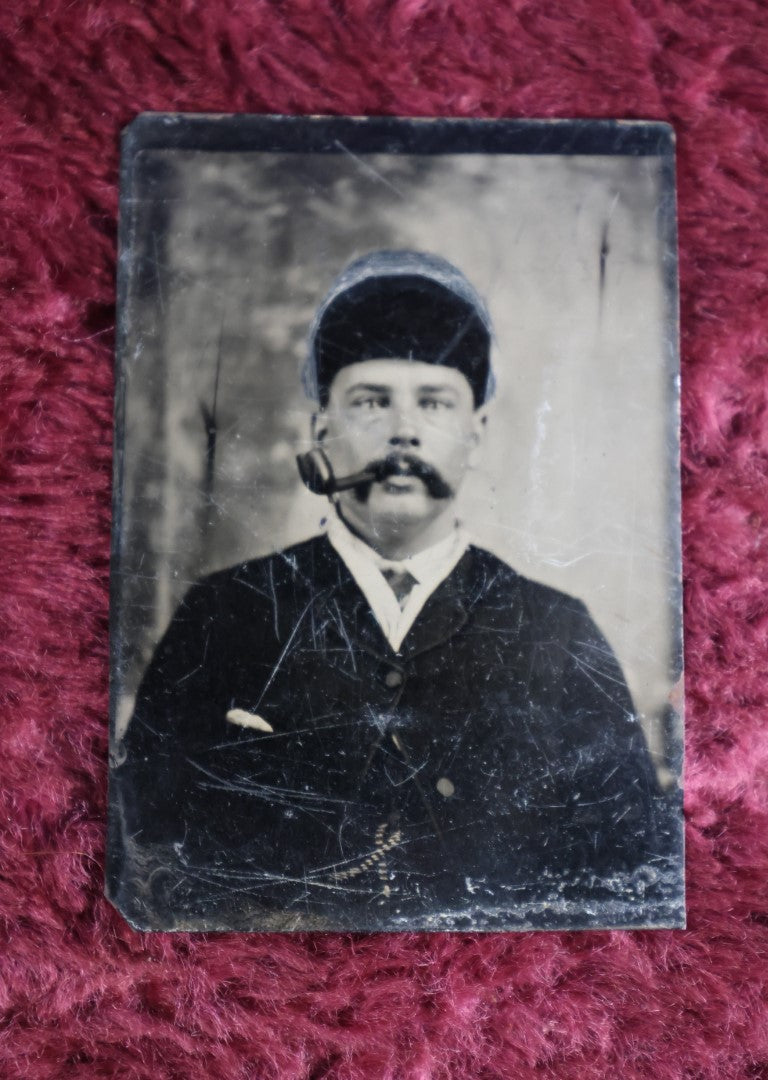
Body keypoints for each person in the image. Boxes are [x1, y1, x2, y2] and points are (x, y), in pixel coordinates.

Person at [111, 251, 664, 930]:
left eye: (434, 403)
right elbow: (141, 855)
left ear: (476, 436)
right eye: (371, 401)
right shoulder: (225, 612)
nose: (404, 430)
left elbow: (631, 873)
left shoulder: (558, 631)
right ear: (321, 431)